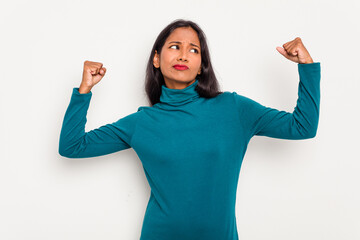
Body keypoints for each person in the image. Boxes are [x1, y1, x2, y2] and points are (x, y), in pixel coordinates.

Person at [59, 19, 321, 240]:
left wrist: (306, 66)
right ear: (157, 59)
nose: (184, 55)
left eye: (194, 50)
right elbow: (72, 147)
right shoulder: (141, 123)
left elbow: (302, 127)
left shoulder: (233, 108)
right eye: (175, 47)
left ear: (201, 65)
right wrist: (84, 91)